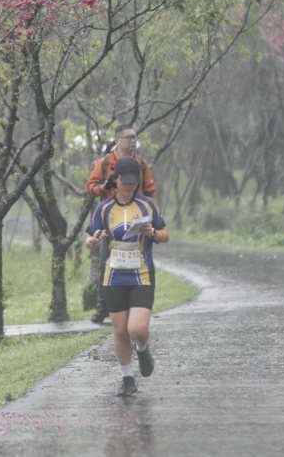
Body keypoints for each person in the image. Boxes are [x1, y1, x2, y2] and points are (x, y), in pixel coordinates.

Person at [85, 156, 168, 396]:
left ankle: (142, 348)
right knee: (120, 331)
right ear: (116, 179)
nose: (129, 186)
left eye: (134, 182)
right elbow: (90, 238)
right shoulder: (104, 208)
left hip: (141, 274)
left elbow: (165, 234)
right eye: (125, 181)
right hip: (114, 277)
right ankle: (127, 378)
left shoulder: (147, 206)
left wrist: (152, 232)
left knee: (137, 329)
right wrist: (93, 240)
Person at [86, 124, 158, 325]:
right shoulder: (105, 162)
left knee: (140, 260)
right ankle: (103, 307)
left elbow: (151, 190)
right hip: (111, 221)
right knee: (106, 262)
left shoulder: (141, 164)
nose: (132, 141)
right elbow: (90, 187)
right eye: (128, 137)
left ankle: (136, 304)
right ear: (117, 140)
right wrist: (103, 188)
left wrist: (151, 213)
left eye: (135, 137)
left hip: (137, 220)